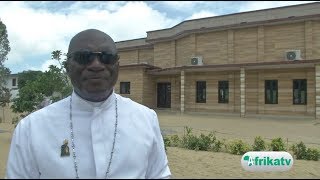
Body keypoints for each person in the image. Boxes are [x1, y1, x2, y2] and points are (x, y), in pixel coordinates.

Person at [6, 29, 171, 179]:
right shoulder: (31, 128)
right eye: (84, 57)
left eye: (106, 56)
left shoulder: (146, 119)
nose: (96, 65)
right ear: (67, 67)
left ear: (117, 65)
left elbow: (159, 175)